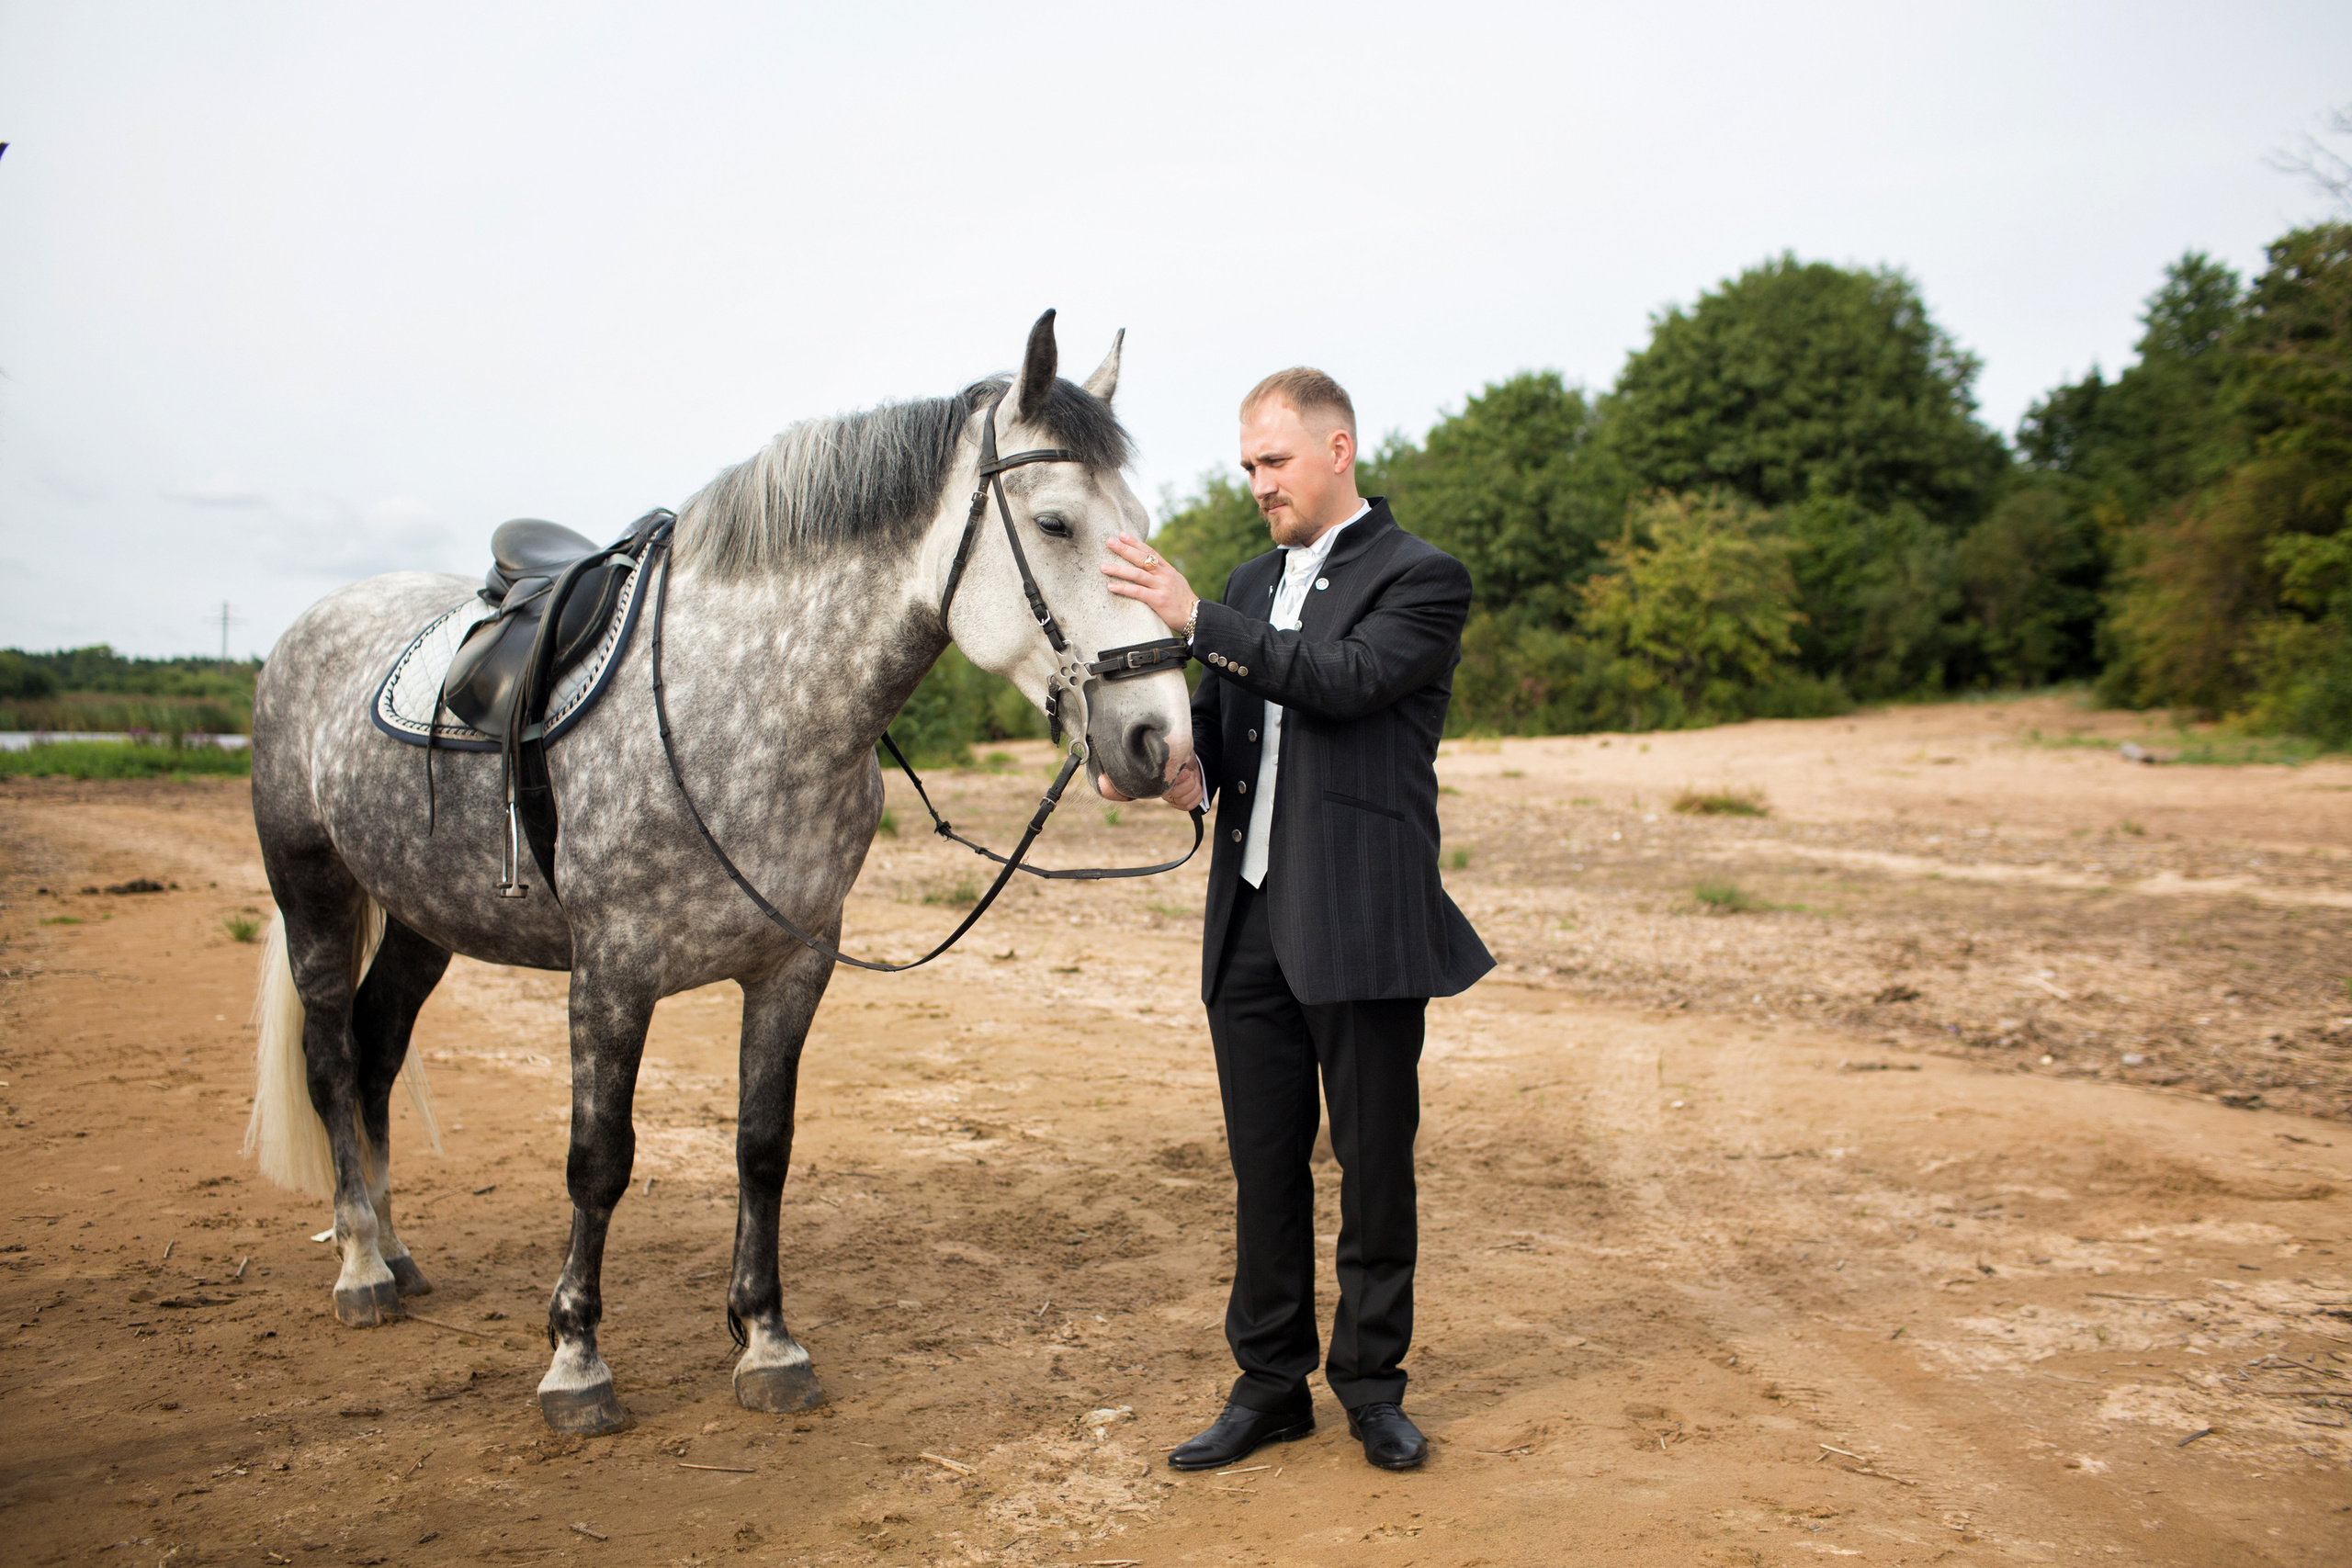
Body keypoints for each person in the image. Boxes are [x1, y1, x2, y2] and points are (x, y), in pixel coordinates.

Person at [1098, 367, 1493, 1472]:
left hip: (1364, 922)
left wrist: (1195, 618)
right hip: (1251, 925)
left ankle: (1371, 1387)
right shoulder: (1244, 579)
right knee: (1262, 1170)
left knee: (1372, 1170)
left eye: (1273, 462)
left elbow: (1344, 680)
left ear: (1338, 451)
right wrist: (1176, 771)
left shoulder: (1422, 577)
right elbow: (1234, 736)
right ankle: (1270, 1386)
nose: (1258, 484)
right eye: (1247, 467)